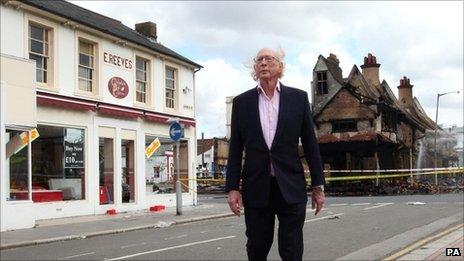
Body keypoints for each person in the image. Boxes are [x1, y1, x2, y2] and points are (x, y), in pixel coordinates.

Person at [226, 47, 326, 261]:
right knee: (257, 246)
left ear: (280, 66)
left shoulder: (298, 99)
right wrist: (233, 188)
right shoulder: (242, 103)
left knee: (291, 248)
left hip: (291, 185)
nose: (263, 63)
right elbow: (235, 148)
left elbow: (310, 144)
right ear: (255, 67)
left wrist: (318, 185)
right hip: (256, 186)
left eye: (269, 59)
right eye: (259, 59)